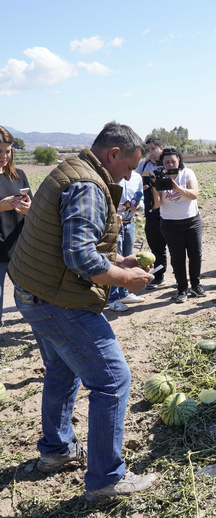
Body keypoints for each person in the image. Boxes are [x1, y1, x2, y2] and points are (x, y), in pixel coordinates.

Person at [8, 122, 157, 502]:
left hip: (31, 289)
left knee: (62, 369)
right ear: (113, 155)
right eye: (129, 166)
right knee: (112, 379)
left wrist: (116, 258)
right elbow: (78, 257)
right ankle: (107, 478)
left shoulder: (73, 169)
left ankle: (56, 451)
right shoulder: (89, 186)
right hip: (56, 299)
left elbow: (72, 242)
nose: (130, 175)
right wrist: (124, 277)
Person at [152, 147, 205, 303]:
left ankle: (196, 285)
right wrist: (156, 189)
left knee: (195, 254)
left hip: (191, 221)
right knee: (177, 257)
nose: (170, 164)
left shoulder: (187, 173)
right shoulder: (160, 177)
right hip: (170, 223)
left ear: (179, 161)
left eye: (173, 161)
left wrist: (176, 187)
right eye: (166, 162)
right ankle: (182, 288)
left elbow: (194, 194)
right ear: (162, 163)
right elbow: (157, 205)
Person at [0, 126, 32, 326]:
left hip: (19, 250)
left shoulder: (18, 175)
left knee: (30, 301)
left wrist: (29, 209)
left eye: (7, 150)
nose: (4, 156)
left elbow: (34, 209)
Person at [107, 169, 145, 311]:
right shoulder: (113, 176)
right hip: (115, 223)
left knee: (127, 259)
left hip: (130, 223)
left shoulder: (137, 178)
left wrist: (138, 206)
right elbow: (106, 203)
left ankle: (124, 293)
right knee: (115, 261)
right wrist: (123, 208)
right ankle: (113, 299)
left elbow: (141, 202)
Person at [138, 137, 168, 289]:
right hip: (151, 212)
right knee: (156, 246)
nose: (150, 153)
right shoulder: (143, 166)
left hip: (169, 211)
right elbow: (134, 182)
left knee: (176, 246)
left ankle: (182, 277)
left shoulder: (170, 163)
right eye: (147, 149)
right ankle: (159, 276)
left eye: (152, 149)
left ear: (160, 148)